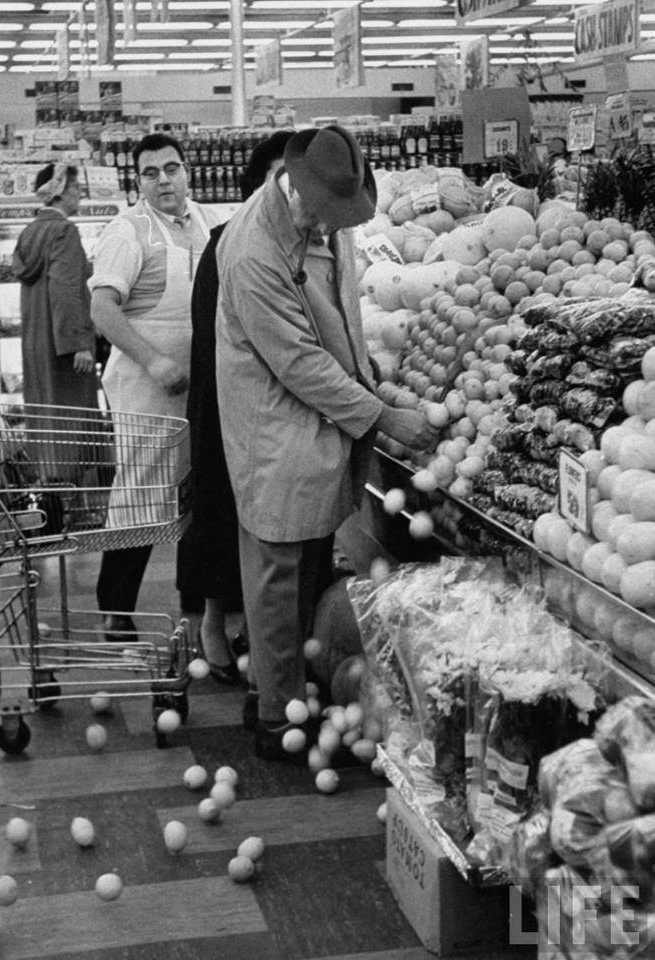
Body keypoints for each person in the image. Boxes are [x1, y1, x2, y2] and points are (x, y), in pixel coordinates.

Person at [215, 124, 437, 764]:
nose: (327, 226)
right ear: (293, 184)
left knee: (308, 560)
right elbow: (300, 363)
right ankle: (275, 722)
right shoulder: (253, 251)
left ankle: (291, 692)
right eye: (322, 213)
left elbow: (338, 316)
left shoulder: (322, 221)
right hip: (275, 425)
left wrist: (374, 384)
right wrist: (381, 417)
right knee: (277, 571)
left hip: (321, 417)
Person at [89, 133, 221, 642]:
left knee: (201, 492)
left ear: (187, 171)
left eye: (171, 168)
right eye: (151, 173)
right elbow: (103, 309)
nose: (164, 180)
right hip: (148, 383)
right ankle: (115, 610)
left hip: (205, 379)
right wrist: (155, 362)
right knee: (141, 496)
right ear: (138, 181)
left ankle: (198, 602)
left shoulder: (211, 222)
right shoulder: (128, 230)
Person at [175, 130, 294, 684]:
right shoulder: (226, 242)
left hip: (271, 410)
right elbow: (212, 339)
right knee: (219, 511)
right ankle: (211, 625)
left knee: (258, 523)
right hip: (225, 400)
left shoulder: (300, 245)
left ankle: (254, 629)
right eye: (278, 178)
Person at [12, 162, 96, 409]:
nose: (80, 192)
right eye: (76, 186)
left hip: (35, 343)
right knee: (72, 420)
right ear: (59, 190)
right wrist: (79, 344)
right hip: (65, 351)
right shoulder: (64, 231)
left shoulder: (29, 232)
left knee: (45, 419)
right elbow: (65, 290)